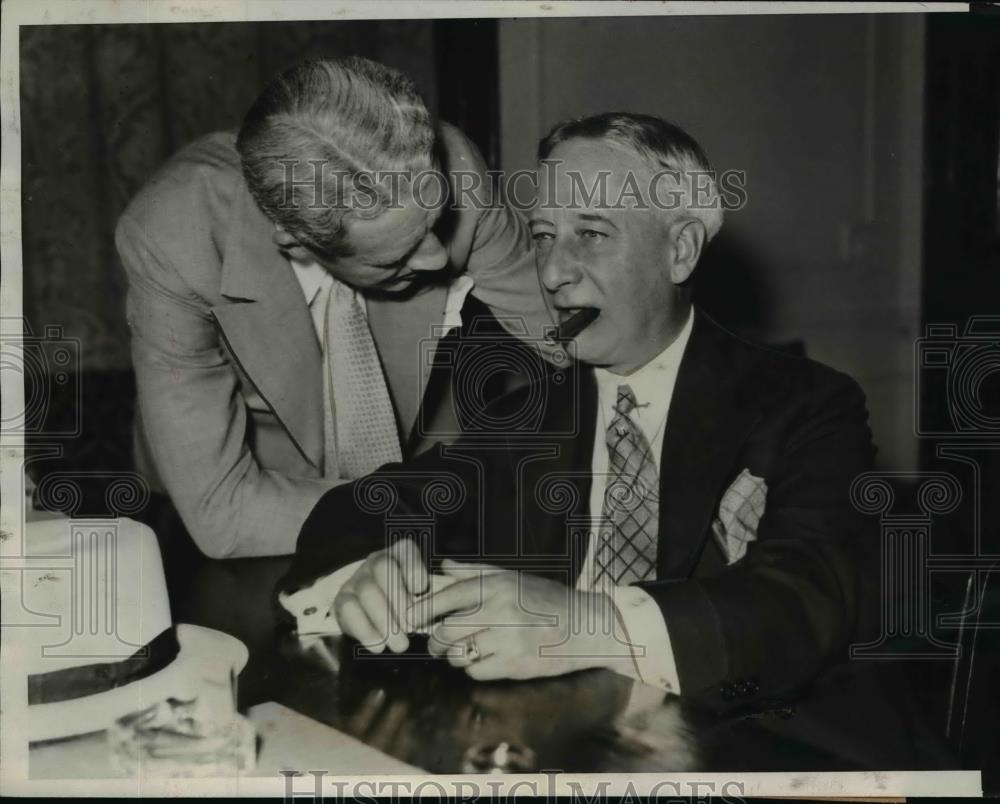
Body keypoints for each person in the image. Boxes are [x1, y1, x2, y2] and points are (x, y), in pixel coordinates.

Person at [278, 112, 876, 704]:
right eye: (542, 237)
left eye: (590, 234)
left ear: (681, 250)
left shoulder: (809, 405)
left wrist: (584, 623)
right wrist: (362, 573)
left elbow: (802, 603)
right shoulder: (531, 411)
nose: (554, 272)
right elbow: (363, 506)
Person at [117, 57, 552, 559]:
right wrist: (431, 507)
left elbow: (572, 333)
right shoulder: (172, 236)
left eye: (435, 223)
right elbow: (224, 512)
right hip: (257, 512)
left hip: (430, 474)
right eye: (400, 254)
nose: (438, 258)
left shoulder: (452, 167)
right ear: (296, 239)